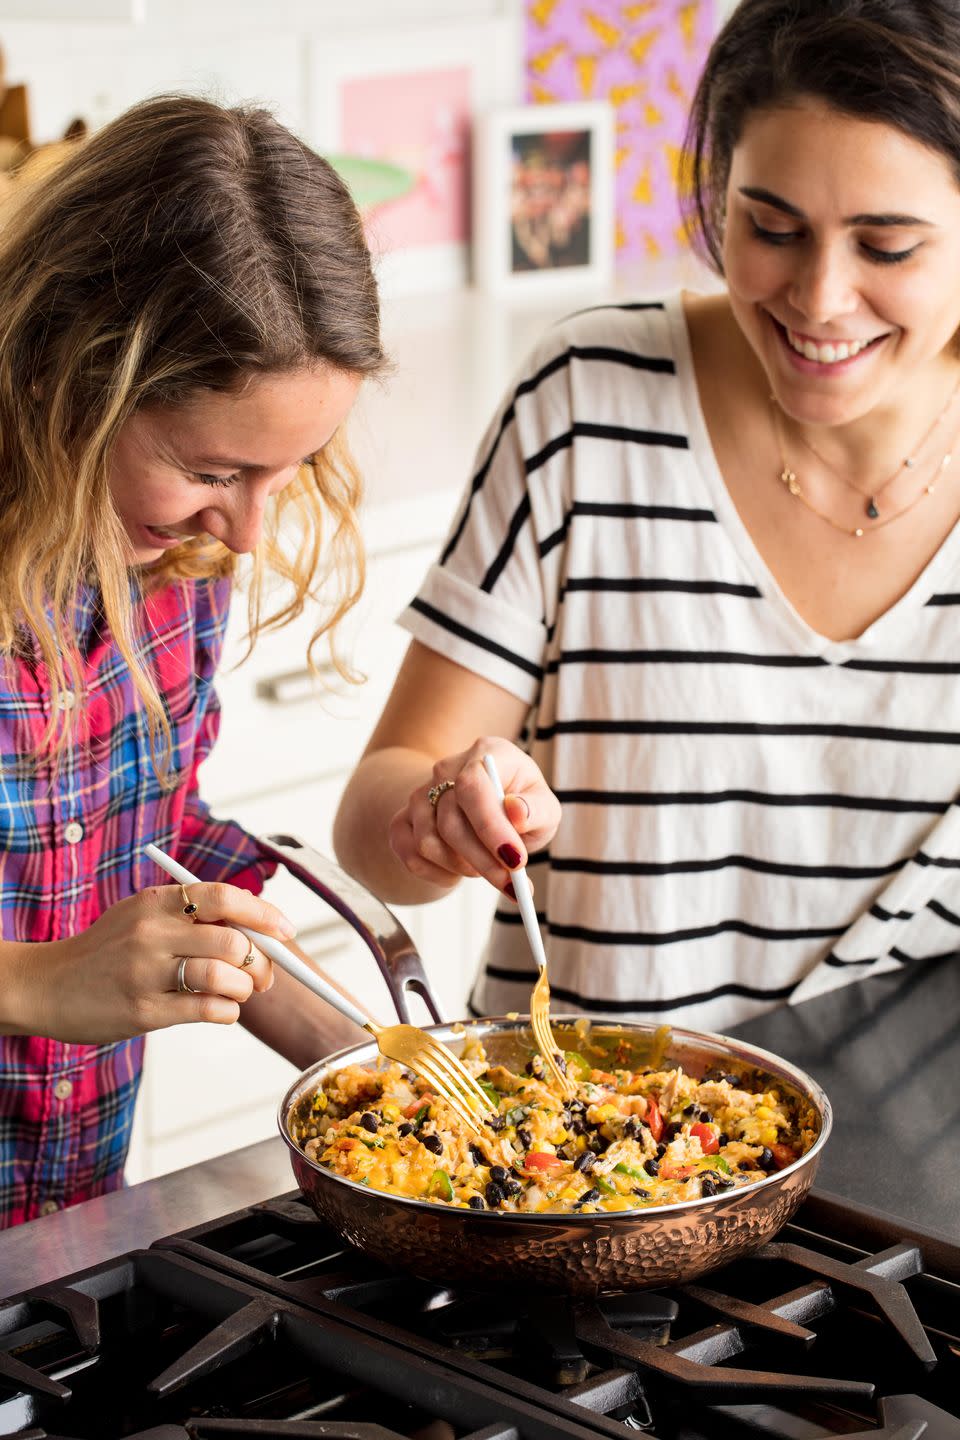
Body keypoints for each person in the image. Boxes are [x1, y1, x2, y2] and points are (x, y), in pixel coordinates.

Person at [335, 0, 960, 1036]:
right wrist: (441, 810)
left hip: (907, 1173)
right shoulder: (587, 397)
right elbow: (369, 825)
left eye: (886, 247)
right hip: (574, 1160)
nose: (819, 297)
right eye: (771, 228)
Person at [0, 95, 383, 1227]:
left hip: (60, 1238)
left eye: (287, 472)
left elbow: (152, 845)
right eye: (215, 470)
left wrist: (372, 1070)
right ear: (66, 375)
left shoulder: (171, 568)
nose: (251, 532)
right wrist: (31, 983)